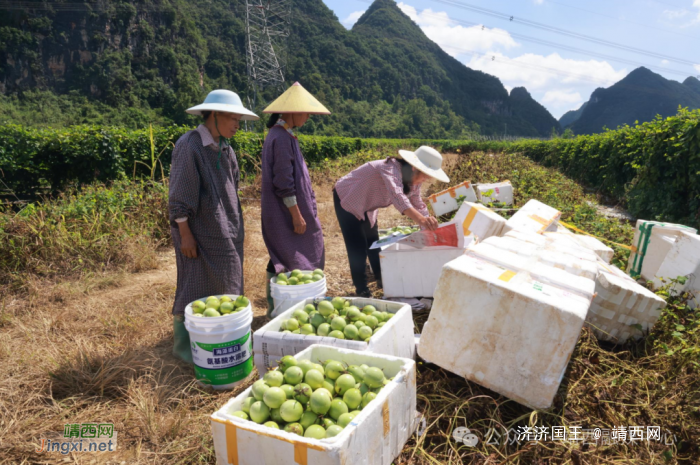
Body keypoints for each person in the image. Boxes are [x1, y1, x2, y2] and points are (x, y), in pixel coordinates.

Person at [168, 89, 259, 363]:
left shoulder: (225, 148)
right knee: (194, 282)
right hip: (199, 230)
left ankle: (220, 336)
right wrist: (185, 234)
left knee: (228, 278)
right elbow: (180, 195)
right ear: (214, 115)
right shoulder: (190, 145)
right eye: (232, 118)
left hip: (224, 228)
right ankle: (185, 347)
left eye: (238, 120)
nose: (236, 125)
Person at [333, 146, 449, 297]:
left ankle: (383, 279)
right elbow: (397, 196)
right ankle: (362, 289)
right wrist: (421, 220)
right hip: (349, 197)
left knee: (373, 243)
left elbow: (416, 201)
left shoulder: (413, 179)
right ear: (414, 167)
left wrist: (426, 223)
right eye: (425, 175)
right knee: (357, 247)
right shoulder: (389, 168)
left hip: (368, 204)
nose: (425, 179)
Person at [260, 82, 331, 316]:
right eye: (306, 111)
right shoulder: (279, 137)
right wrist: (297, 215)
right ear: (291, 111)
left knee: (284, 254)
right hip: (285, 212)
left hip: (291, 209)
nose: (309, 116)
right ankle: (282, 305)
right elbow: (283, 182)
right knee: (287, 253)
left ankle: (282, 304)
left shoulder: (285, 135)